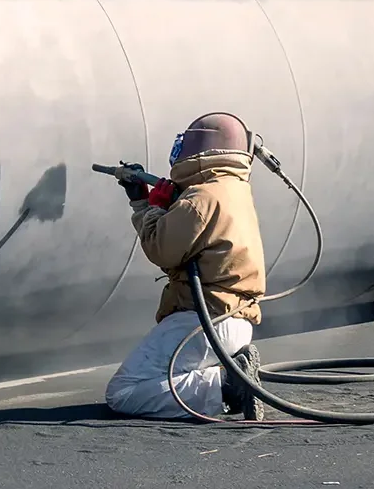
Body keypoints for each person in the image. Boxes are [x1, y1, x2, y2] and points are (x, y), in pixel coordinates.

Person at [105, 112, 267, 421]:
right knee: (160, 379)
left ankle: (228, 386)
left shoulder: (200, 197)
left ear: (200, 151)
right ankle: (231, 374)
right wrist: (152, 204)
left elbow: (162, 250)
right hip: (234, 319)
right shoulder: (233, 189)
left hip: (203, 320)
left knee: (124, 391)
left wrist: (149, 207)